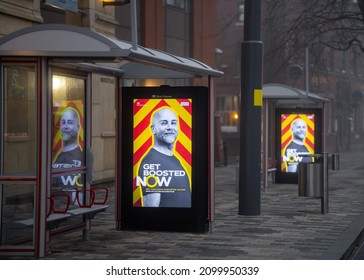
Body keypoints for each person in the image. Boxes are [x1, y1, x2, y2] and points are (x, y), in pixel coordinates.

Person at [137, 107, 191, 208]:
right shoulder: (151, 163)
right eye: (164, 123)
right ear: (153, 129)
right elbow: (151, 209)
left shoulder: (174, 159)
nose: (170, 127)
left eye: (174, 123)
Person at [52, 107, 84, 204]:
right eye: (63, 122)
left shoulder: (81, 156)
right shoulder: (56, 157)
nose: (65, 126)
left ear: (78, 128)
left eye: (70, 123)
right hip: (56, 206)